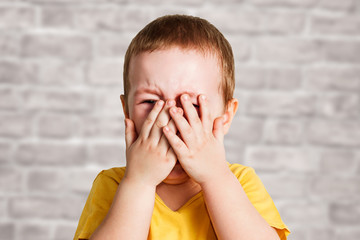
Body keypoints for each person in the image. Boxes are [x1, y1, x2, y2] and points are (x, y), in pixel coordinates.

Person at [74, 14, 290, 240]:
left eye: (192, 104)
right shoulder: (114, 185)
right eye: (150, 102)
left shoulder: (240, 182)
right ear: (126, 111)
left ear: (225, 117)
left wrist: (215, 177)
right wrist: (139, 183)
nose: (169, 118)